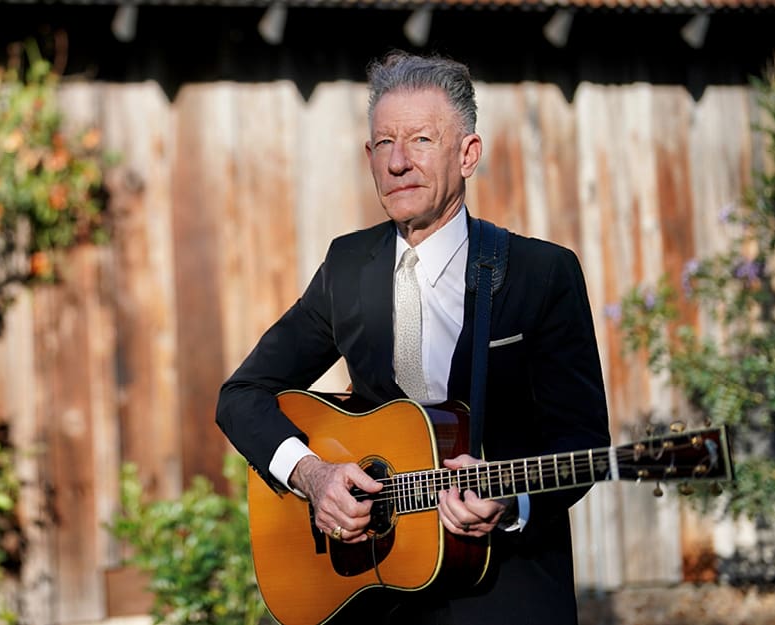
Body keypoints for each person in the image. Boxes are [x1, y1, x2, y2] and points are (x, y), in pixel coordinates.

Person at [215, 51, 610, 625]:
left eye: (421, 140)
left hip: (507, 593)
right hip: (374, 591)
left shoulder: (540, 273)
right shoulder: (346, 266)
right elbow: (242, 393)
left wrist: (512, 501)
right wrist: (313, 474)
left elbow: (583, 441)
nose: (398, 162)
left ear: (468, 155)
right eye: (383, 144)